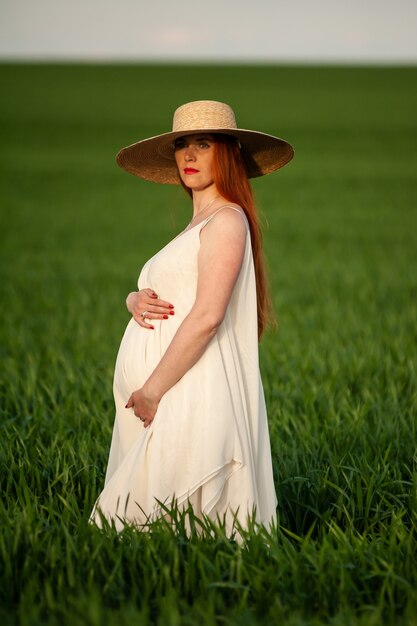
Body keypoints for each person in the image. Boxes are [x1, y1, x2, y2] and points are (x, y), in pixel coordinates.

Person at [90, 100, 294, 535]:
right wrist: (134, 299)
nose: (188, 155)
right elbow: (177, 292)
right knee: (151, 523)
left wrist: (152, 390)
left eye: (203, 144)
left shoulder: (226, 221)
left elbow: (206, 315)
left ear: (229, 154)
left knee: (160, 519)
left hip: (185, 388)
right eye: (182, 145)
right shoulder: (197, 222)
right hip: (166, 391)